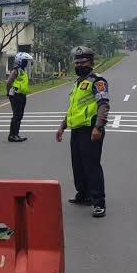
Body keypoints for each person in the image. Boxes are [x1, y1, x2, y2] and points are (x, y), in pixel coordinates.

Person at [56, 46, 109, 218]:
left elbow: (103, 105)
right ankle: (83, 195)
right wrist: (62, 126)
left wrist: (98, 127)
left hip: (91, 129)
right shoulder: (78, 83)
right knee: (78, 165)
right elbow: (73, 108)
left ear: (91, 63)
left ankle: (99, 202)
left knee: (92, 166)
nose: (78, 64)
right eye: (76, 62)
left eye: (82, 62)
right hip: (77, 130)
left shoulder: (97, 81)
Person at [6, 52, 33, 142]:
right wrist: (9, 93)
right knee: (16, 115)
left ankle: (16, 134)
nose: (26, 63)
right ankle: (12, 135)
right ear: (20, 61)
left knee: (19, 115)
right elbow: (9, 82)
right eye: (25, 61)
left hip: (22, 95)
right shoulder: (15, 70)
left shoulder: (23, 70)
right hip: (15, 95)